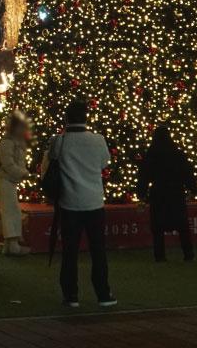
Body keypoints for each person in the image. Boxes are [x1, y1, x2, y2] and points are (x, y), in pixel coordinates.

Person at [41, 99, 116, 307]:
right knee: (98, 250)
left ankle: (71, 295)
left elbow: (51, 160)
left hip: (69, 203)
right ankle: (103, 294)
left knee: (70, 251)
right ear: (86, 117)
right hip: (94, 202)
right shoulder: (98, 140)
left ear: (66, 118)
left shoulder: (59, 141)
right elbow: (104, 163)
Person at [137, 125, 197, 262]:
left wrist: (141, 193)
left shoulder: (151, 154)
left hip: (158, 193)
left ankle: (160, 256)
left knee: (158, 227)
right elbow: (187, 173)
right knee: (182, 225)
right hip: (176, 192)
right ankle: (188, 254)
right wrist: (193, 189)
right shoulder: (178, 154)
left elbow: (144, 176)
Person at [0, 114, 32, 255]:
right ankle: (13, 245)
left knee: (12, 211)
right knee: (11, 212)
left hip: (10, 181)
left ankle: (9, 245)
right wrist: (23, 173)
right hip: (6, 180)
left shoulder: (16, 142)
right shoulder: (7, 143)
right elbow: (8, 164)